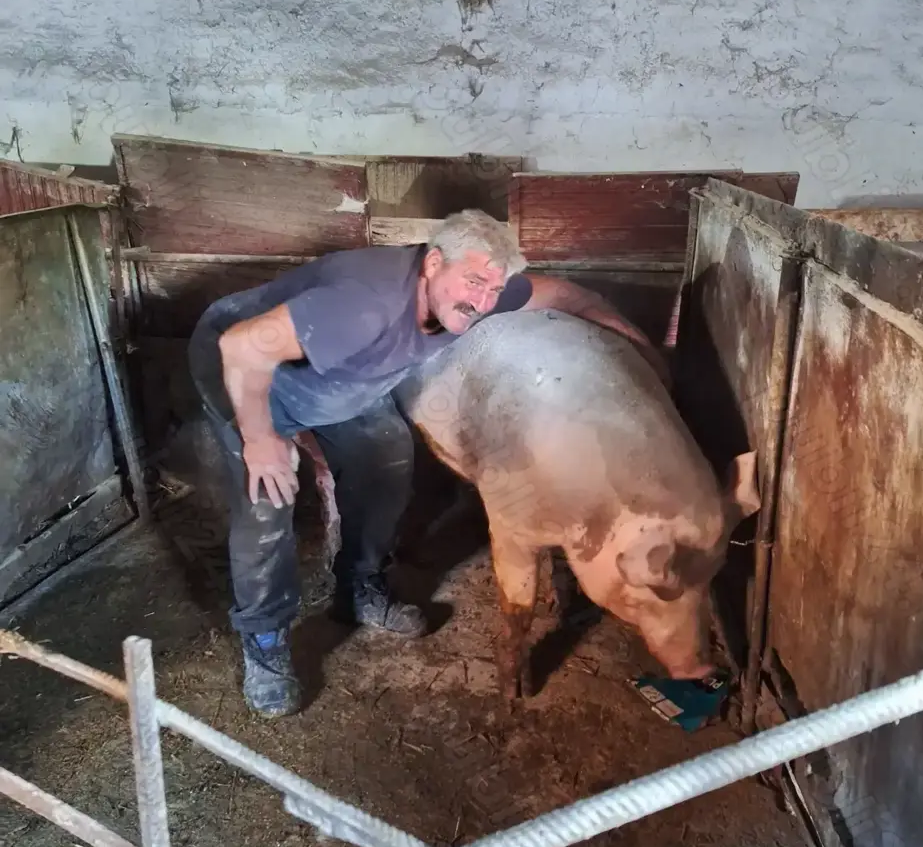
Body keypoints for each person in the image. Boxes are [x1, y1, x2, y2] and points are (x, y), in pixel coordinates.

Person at [188, 208, 664, 718]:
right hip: (250, 374)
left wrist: (642, 348)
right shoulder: (363, 304)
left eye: (493, 288)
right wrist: (260, 438)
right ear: (434, 263)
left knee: (388, 461)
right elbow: (240, 347)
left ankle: (359, 585)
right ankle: (265, 641)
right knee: (267, 503)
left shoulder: (479, 292)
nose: (482, 301)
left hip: (345, 376)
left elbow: (573, 296)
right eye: (475, 281)